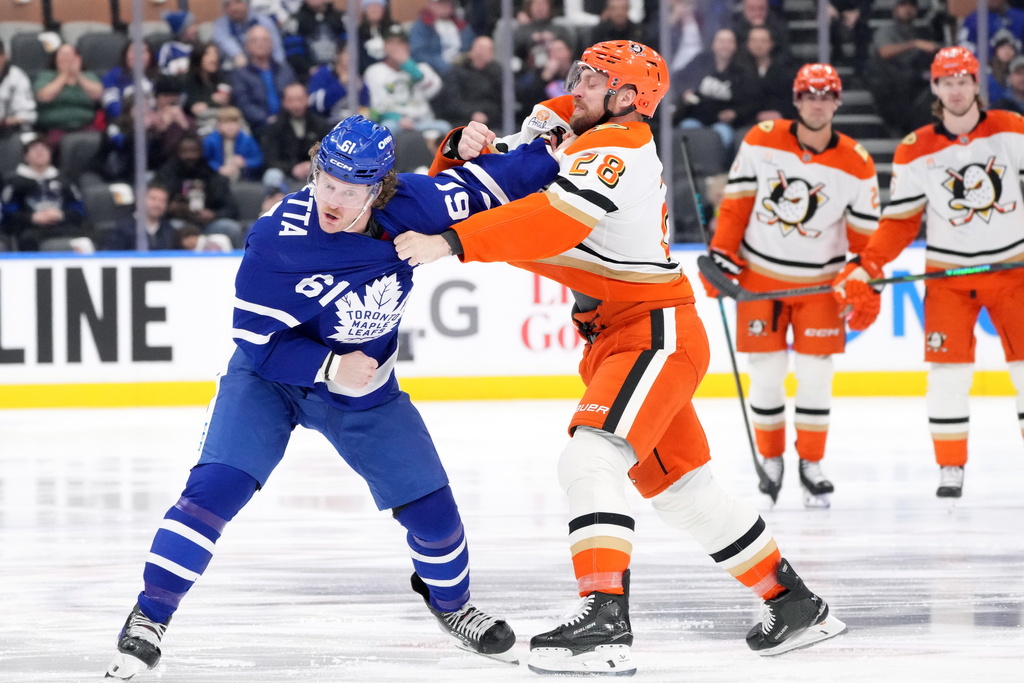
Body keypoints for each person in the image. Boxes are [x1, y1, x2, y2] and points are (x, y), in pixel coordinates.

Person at [393, 40, 847, 676]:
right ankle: (793, 602)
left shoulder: (619, 147)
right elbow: (506, 184)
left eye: (591, 79)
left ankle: (604, 620)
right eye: (578, 74)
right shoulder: (581, 133)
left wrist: (453, 241)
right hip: (627, 333)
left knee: (589, 454)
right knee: (683, 491)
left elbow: (550, 220)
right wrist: (463, 152)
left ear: (629, 98)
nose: (574, 86)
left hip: (651, 331)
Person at [103, 114, 567, 680]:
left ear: (380, 188)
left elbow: (497, 180)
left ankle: (452, 606)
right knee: (212, 492)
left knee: (437, 518)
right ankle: (149, 617)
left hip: (363, 391)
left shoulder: (415, 204)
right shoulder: (277, 238)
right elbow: (253, 338)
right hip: (268, 380)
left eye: (350, 190)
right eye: (327, 181)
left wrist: (553, 141)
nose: (333, 198)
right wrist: (327, 364)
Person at [833, 46, 1024, 500]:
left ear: (977, 84)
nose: (957, 90)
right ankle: (950, 467)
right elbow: (900, 222)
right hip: (948, 277)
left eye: (964, 81)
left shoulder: (1014, 130)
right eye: (947, 82)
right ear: (935, 87)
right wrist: (869, 262)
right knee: (947, 376)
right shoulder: (915, 149)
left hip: (1015, 270)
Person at [702, 64, 880, 507]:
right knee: (765, 376)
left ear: (837, 102)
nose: (817, 102)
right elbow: (736, 205)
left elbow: (866, 243)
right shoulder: (761, 138)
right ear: (796, 101)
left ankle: (811, 463)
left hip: (820, 286)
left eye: (826, 95)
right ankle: (772, 460)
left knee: (817, 375)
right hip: (760, 280)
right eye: (809, 94)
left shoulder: (857, 162)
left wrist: (865, 280)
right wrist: (722, 258)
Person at [863, 0, 940, 135]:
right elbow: (884, 52)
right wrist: (914, 44)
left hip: (913, 86)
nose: (908, 9)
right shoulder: (886, 31)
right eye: (903, 5)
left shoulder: (920, 33)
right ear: (895, 9)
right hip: (889, 87)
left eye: (911, 6)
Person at [155, 134, 244, 247]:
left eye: (193, 151)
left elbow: (231, 208)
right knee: (171, 229)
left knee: (232, 228)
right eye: (185, 151)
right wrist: (171, 208)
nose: (189, 156)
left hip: (207, 224)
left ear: (201, 152)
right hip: (177, 222)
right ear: (177, 152)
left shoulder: (213, 176)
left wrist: (214, 215)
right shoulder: (166, 175)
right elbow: (153, 206)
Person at [0, 137, 87, 251]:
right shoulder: (14, 182)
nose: (40, 152)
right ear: (26, 157)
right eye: (35, 149)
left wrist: (61, 215)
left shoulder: (65, 180)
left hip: (63, 226)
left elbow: (78, 208)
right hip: (29, 229)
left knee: (86, 238)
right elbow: (8, 212)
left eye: (44, 149)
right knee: (28, 239)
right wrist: (32, 217)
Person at [261, 82, 333, 191]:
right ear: (284, 102)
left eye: (300, 99)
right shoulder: (275, 128)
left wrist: (312, 165)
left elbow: (329, 155)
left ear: (307, 99)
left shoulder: (321, 125)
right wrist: (292, 168)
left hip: (315, 171)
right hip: (286, 174)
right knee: (272, 175)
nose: (296, 105)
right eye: (291, 100)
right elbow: (270, 159)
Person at [230, 25, 298, 136]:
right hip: (258, 126)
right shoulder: (240, 74)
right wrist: (266, 119)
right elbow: (244, 103)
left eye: (264, 40)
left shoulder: (285, 70)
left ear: (271, 44)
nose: (260, 44)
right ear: (247, 46)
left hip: (288, 123)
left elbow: (295, 95)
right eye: (254, 40)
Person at [32, 44, 103, 147]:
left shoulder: (88, 76)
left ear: (78, 58)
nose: (66, 59)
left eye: (69, 55)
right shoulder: (47, 76)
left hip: (85, 126)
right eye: (62, 55)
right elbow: (43, 97)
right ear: (55, 59)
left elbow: (98, 95)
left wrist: (78, 75)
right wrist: (64, 75)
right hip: (54, 127)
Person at [103, 182, 182, 251]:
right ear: (139, 200)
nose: (157, 205)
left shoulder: (170, 230)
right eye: (153, 199)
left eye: (162, 201)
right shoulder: (122, 229)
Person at [408, 0, 476, 77]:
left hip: (463, 66)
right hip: (437, 72)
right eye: (441, 3)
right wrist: (444, 65)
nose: (445, 6)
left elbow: (472, 45)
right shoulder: (422, 26)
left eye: (448, 3)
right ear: (430, 5)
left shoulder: (462, 25)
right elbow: (418, 53)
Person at [213, 0, 287, 70]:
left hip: (266, 67)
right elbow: (224, 41)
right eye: (227, 5)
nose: (233, 8)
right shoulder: (221, 25)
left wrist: (279, 70)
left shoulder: (263, 22)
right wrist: (237, 54)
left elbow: (277, 50)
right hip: (237, 69)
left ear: (247, 3)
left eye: (238, 2)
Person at [202, 105, 264, 181]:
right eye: (226, 123)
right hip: (217, 178)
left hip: (242, 179)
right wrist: (219, 168)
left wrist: (245, 162)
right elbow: (205, 161)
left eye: (234, 122)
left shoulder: (247, 140)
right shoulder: (210, 141)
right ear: (218, 125)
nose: (231, 127)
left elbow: (258, 159)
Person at [0, 39, 38, 141]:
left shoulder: (17, 76)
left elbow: (27, 115)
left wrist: (5, 121)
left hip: (14, 130)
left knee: (35, 144)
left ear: (5, 56)